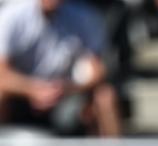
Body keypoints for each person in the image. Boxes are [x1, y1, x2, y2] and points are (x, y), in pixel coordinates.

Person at [0, 0, 122, 136]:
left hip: (67, 94)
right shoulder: (11, 16)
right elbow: (2, 73)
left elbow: (97, 71)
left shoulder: (84, 17)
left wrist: (65, 88)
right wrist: (32, 90)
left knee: (105, 95)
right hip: (20, 97)